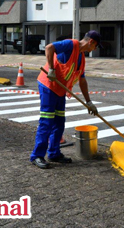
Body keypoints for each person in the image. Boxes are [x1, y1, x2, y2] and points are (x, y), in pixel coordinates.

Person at [30, 30, 103, 169]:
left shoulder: (81, 58)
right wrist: (51, 69)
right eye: (96, 46)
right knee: (47, 121)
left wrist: (89, 102)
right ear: (91, 42)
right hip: (48, 85)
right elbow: (49, 47)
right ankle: (37, 156)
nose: (95, 49)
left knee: (59, 122)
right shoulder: (71, 44)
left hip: (60, 89)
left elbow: (82, 81)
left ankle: (54, 153)